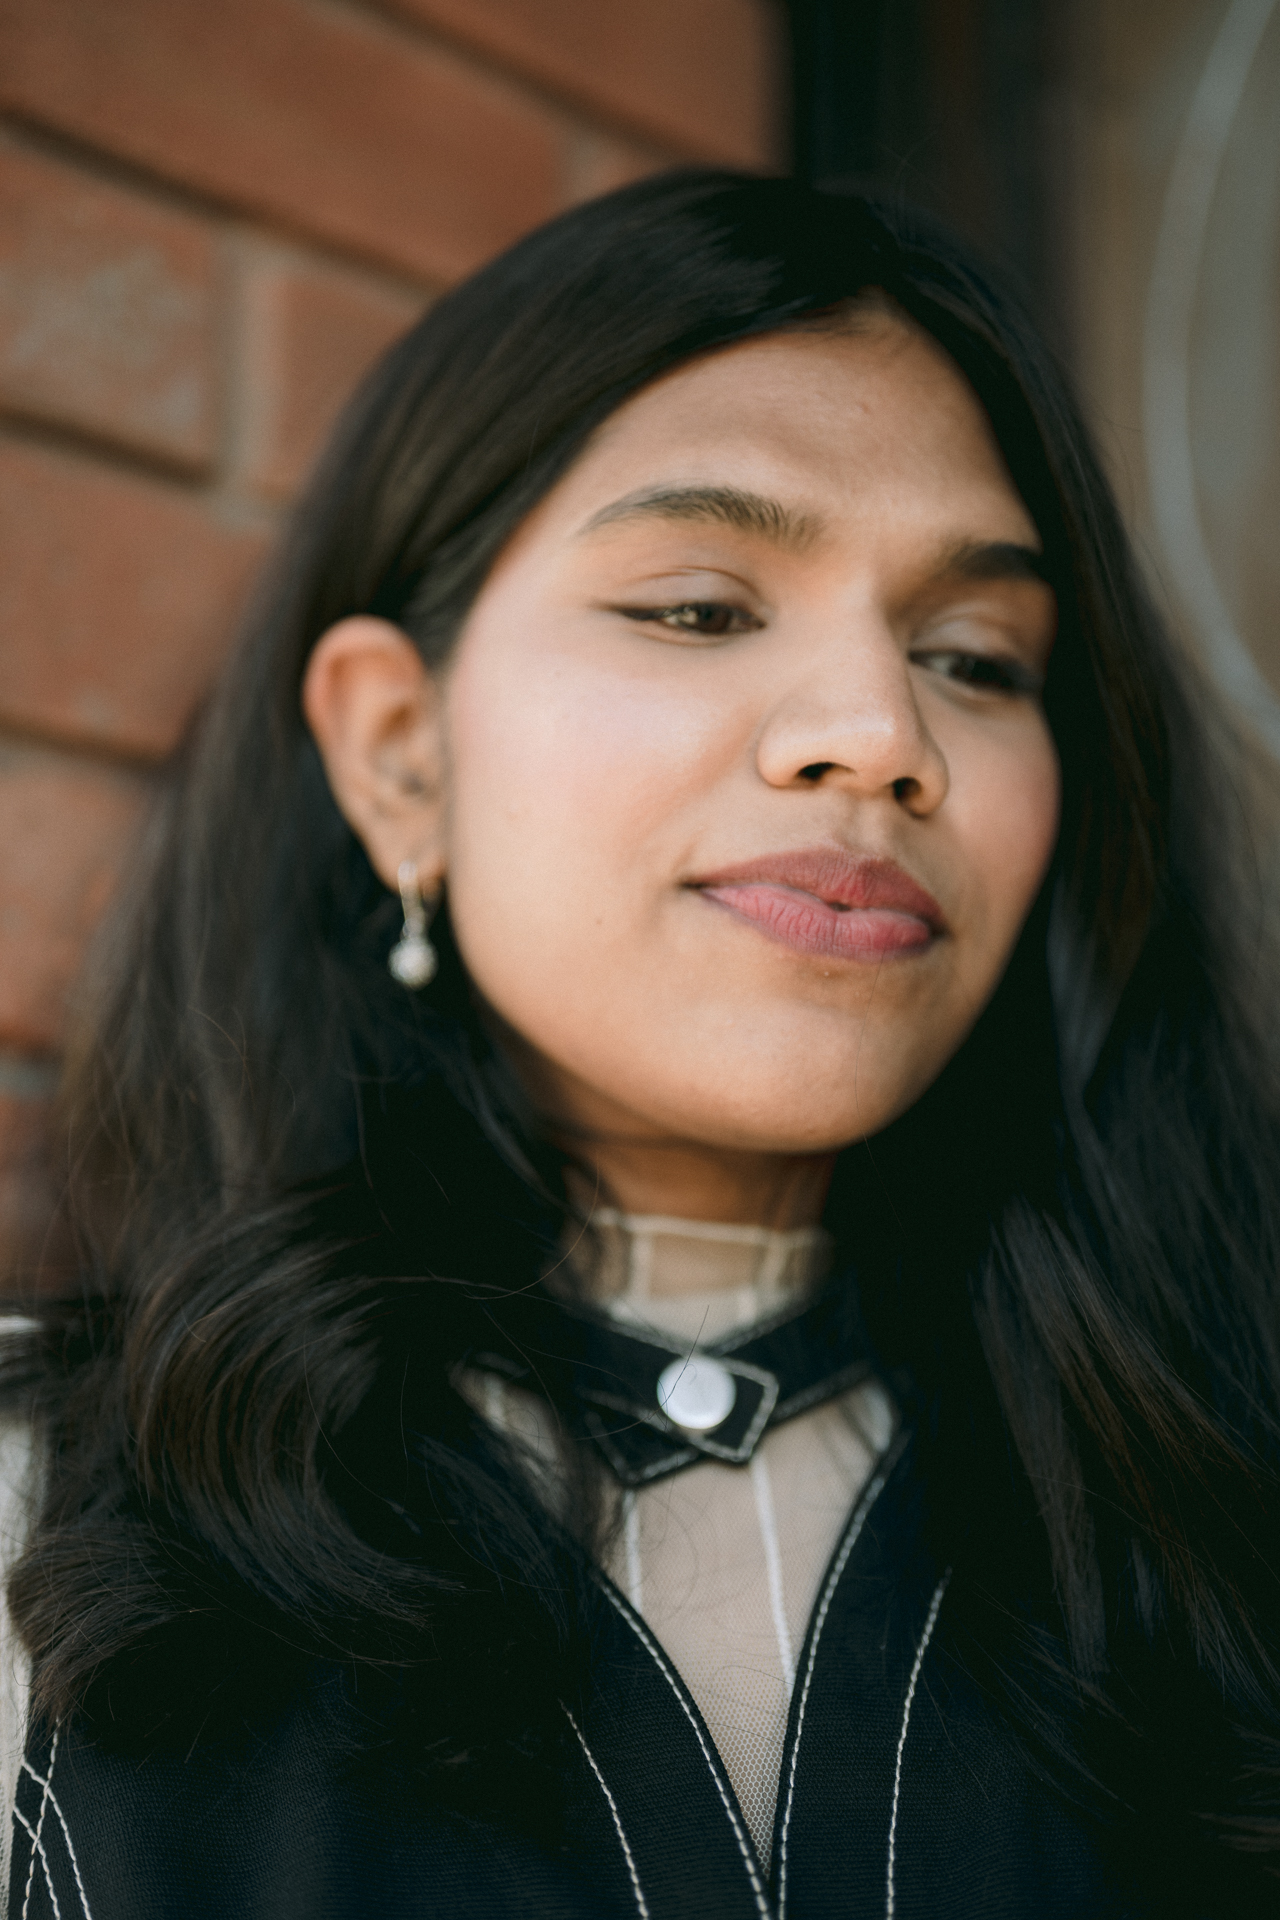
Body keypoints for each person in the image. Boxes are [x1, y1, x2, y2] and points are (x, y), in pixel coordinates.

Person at [3, 170, 1279, 1920]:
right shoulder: (37, 1529)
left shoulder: (1226, 1507)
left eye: (977, 656)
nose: (878, 735)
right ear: (397, 757)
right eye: (699, 608)